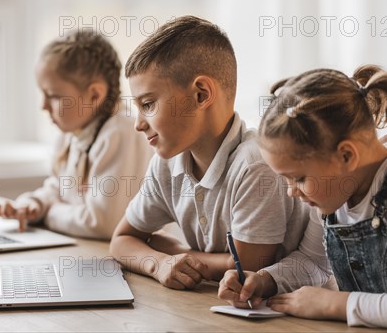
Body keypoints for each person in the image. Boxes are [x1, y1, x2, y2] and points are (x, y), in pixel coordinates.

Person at [218, 65, 387, 331]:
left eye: (298, 178)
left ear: (346, 156)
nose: (291, 191)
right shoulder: (336, 192)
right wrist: (265, 280)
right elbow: (313, 262)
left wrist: (336, 304)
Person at [109, 16, 312, 289]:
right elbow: (121, 241)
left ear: (201, 95)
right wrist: (157, 263)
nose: (139, 124)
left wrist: (174, 251)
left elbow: (245, 268)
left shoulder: (254, 164)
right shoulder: (166, 165)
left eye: (148, 104)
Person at [0, 30, 153, 240]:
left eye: (53, 96)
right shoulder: (70, 133)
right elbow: (57, 189)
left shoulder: (120, 133)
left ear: (94, 95)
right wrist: (32, 204)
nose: (43, 105)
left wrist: (49, 213)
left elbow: (102, 223)